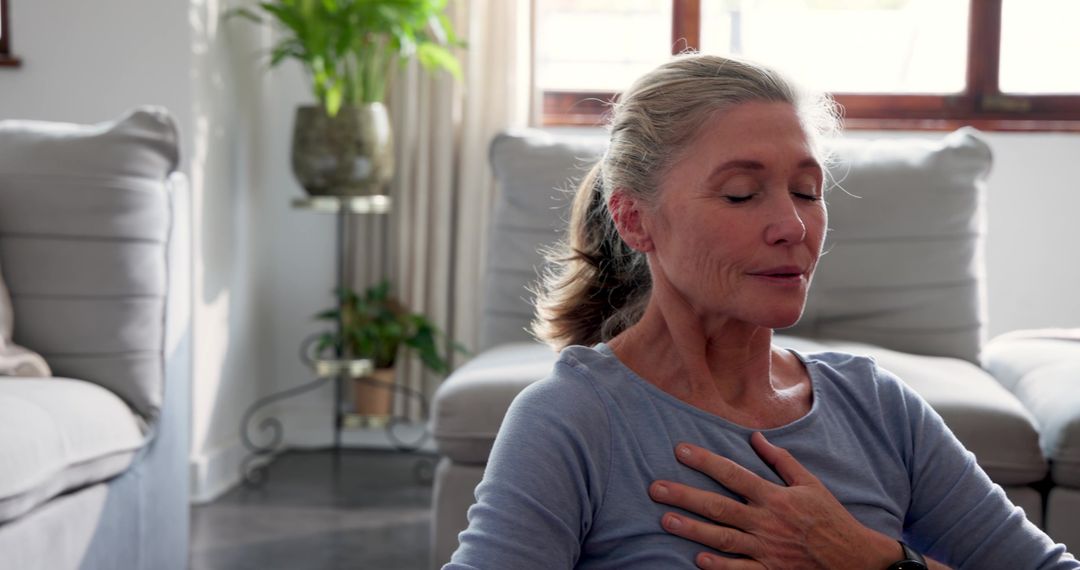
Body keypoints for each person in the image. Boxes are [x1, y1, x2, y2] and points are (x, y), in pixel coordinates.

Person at [444, 54, 1077, 569]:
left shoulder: (880, 408)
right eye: (742, 194)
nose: (792, 225)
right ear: (635, 219)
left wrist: (877, 563)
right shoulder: (575, 419)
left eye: (807, 191)